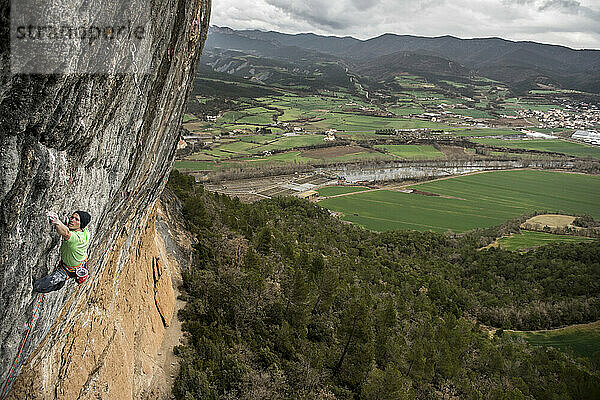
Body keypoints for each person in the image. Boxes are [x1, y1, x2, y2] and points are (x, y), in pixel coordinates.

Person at [33, 211, 91, 293]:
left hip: (67, 270)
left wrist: (57, 222)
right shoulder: (85, 231)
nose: (72, 220)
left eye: (76, 220)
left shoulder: (77, 239)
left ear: (81, 224)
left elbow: (66, 233)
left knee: (38, 286)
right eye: (72, 217)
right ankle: (60, 283)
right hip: (80, 262)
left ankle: (59, 284)